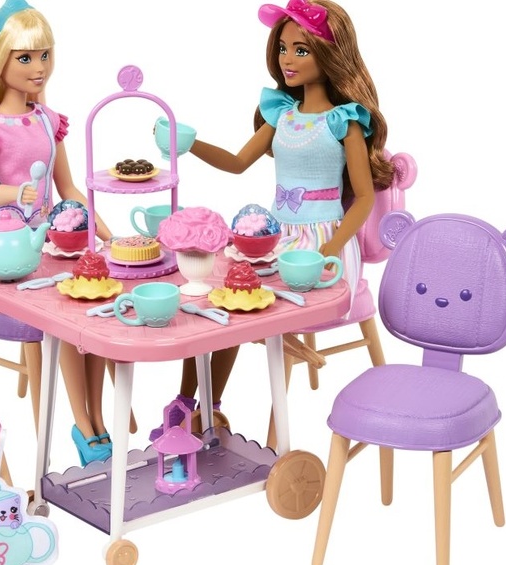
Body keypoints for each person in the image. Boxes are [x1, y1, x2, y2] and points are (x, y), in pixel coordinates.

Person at [154, 0, 394, 438]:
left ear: (330, 54)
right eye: (283, 48)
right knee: (222, 297)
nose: (287, 59)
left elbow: (362, 199)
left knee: (245, 305)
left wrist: (329, 248)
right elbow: (237, 162)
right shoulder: (282, 113)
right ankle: (192, 403)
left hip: (323, 243)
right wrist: (188, 144)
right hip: (277, 237)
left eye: (301, 50)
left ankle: (219, 397)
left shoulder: (344, 121)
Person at [0, 0, 115, 465]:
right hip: (9, 245)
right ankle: (82, 425)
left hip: (50, 241)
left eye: (44, 55)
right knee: (68, 316)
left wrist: (105, 232)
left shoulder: (47, 120)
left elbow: (68, 189)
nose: (39, 67)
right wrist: (18, 193)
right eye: (25, 57)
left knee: (95, 305)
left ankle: (98, 417)